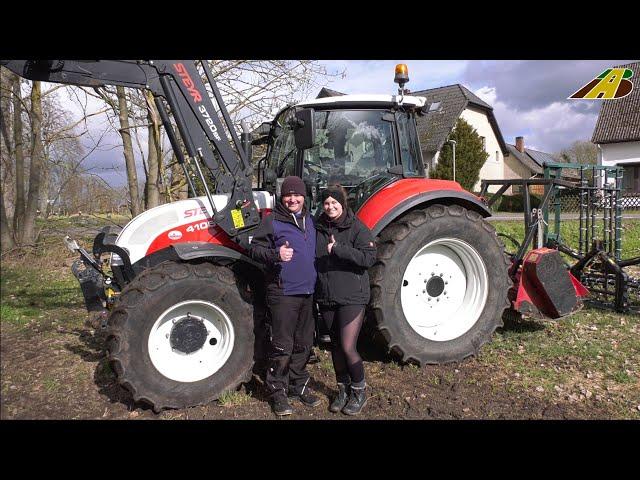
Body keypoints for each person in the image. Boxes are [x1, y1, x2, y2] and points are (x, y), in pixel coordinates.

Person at [249, 175, 321, 416]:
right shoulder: (272, 221)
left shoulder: (310, 221)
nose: (293, 199)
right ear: (283, 197)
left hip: (307, 292)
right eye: (289, 195)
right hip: (283, 292)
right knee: (282, 345)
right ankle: (277, 391)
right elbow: (255, 249)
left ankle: (298, 385)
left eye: (297, 194)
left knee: (303, 344)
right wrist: (276, 254)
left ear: (304, 197)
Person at [314, 185, 376, 415]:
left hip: (352, 296)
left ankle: (359, 391)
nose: (330, 207)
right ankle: (343, 389)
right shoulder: (318, 226)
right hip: (327, 295)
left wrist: (340, 249)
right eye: (326, 203)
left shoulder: (357, 228)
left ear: (343, 203)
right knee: (336, 347)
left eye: (334, 203)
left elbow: (369, 257)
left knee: (349, 346)